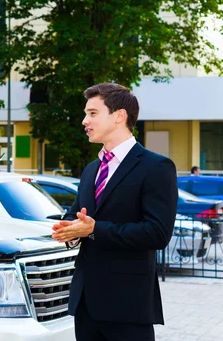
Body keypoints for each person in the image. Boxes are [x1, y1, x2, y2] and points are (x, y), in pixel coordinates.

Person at [51, 83, 177, 341]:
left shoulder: (157, 167)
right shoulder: (90, 169)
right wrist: (70, 231)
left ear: (119, 115)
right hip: (85, 303)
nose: (85, 121)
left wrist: (95, 229)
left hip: (128, 305)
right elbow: (77, 215)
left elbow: (157, 233)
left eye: (93, 113)